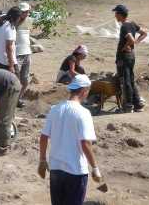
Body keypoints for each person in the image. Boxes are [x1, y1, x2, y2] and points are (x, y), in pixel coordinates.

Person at [38, 74, 102, 205]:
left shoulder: (55, 109)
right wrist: (95, 168)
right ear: (84, 91)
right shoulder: (83, 113)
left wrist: (42, 160)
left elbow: (44, 137)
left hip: (56, 169)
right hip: (75, 171)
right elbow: (85, 143)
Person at [113, 4, 147, 113]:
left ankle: (128, 106)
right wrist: (134, 44)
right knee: (131, 80)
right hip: (131, 56)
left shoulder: (124, 26)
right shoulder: (132, 24)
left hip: (124, 58)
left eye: (116, 13)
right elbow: (144, 33)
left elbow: (131, 40)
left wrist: (127, 45)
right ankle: (138, 104)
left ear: (120, 14)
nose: (115, 16)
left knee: (126, 81)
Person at [0, 6, 22, 73]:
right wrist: (11, 66)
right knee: (16, 83)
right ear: (16, 18)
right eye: (19, 17)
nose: (19, 19)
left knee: (2, 83)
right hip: (7, 63)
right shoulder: (10, 27)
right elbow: (8, 47)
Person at [16, 2, 33, 108]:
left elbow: (27, 35)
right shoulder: (13, 22)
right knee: (15, 80)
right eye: (24, 12)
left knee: (25, 81)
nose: (26, 14)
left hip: (27, 53)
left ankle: (18, 99)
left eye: (27, 12)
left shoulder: (29, 21)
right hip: (17, 54)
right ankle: (11, 101)